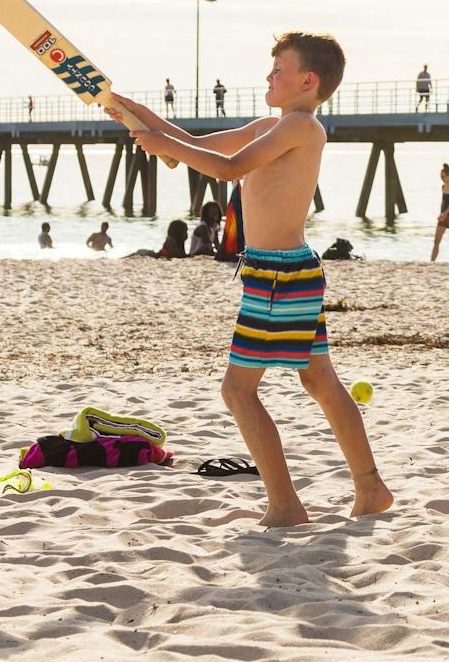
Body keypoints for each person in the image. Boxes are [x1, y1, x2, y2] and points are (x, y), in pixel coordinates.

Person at [110, 30, 390, 528]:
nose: (268, 76)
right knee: (320, 380)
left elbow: (228, 166)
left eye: (278, 69)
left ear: (307, 81)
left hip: (280, 275)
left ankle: (286, 505)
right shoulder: (273, 124)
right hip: (283, 271)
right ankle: (370, 488)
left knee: (238, 391)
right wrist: (136, 114)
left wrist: (157, 144)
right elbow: (194, 144)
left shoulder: (303, 127)